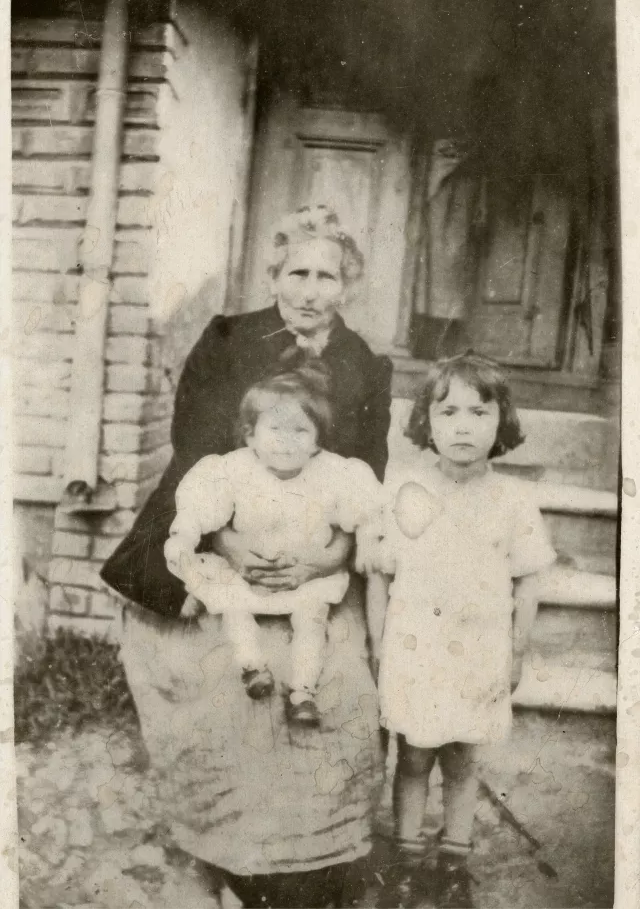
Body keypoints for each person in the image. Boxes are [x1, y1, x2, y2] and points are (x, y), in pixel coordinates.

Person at [101, 205, 392, 908]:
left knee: (331, 677)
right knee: (208, 671)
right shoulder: (228, 338)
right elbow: (194, 443)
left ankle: (309, 854)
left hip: (317, 541)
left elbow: (367, 472)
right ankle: (226, 845)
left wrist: (330, 556)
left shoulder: (367, 365)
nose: (312, 289)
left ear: (347, 283)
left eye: (328, 275)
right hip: (218, 521)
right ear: (274, 274)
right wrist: (226, 539)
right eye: (298, 272)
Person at [367, 351, 556, 909]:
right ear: (426, 421)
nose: (463, 427)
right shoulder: (403, 489)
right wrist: (379, 646)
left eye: (479, 413)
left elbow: (527, 582)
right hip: (414, 649)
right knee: (415, 757)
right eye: (448, 413)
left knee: (463, 760)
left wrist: (517, 652)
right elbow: (380, 573)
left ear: (502, 423)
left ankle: (453, 860)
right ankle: (404, 860)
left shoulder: (513, 499)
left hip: (479, 651)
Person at [164, 365, 383, 727]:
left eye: (300, 431)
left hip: (306, 575)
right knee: (233, 606)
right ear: (250, 436)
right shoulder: (234, 470)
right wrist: (183, 537)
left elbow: (367, 510)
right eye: (275, 429)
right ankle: (252, 666)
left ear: (316, 441)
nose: (286, 441)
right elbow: (199, 508)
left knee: (312, 620)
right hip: (247, 571)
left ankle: (302, 691)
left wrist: (371, 540)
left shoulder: (334, 473)